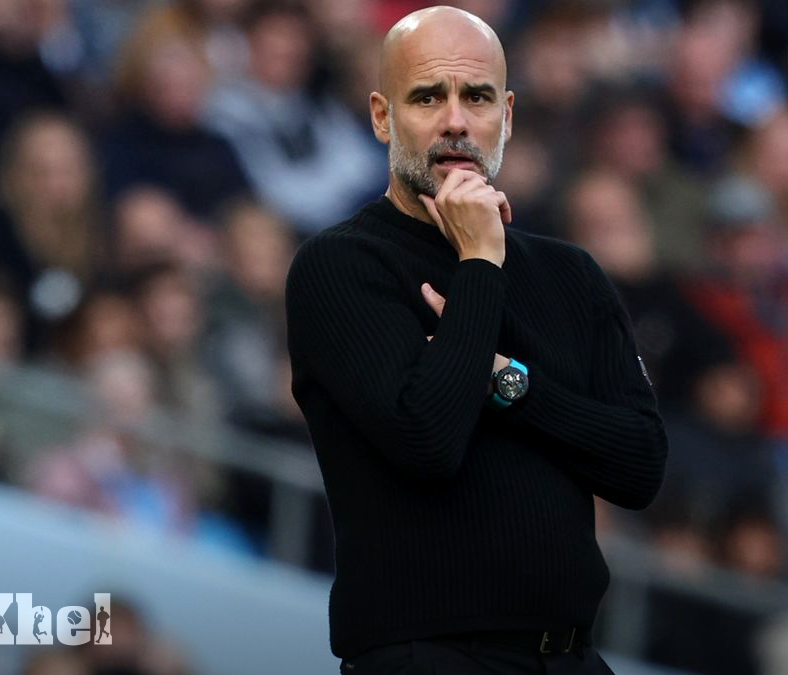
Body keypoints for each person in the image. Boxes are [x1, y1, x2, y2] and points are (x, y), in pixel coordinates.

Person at [284, 7, 668, 674]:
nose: (456, 121)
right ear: (381, 117)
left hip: (570, 656)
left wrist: (504, 381)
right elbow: (426, 439)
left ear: (507, 116)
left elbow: (640, 465)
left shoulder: (571, 273)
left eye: (479, 97)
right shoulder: (341, 265)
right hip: (427, 657)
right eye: (428, 97)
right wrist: (481, 263)